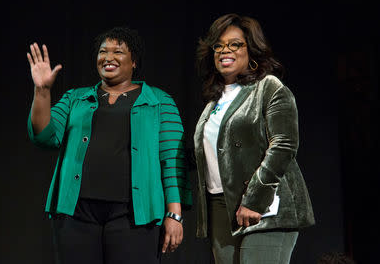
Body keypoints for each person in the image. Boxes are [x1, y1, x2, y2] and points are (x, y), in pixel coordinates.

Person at [26, 26, 192, 264]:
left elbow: (172, 162)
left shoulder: (159, 101)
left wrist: (174, 214)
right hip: (77, 214)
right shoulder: (76, 98)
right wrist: (42, 91)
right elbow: (44, 137)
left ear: (134, 61)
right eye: (103, 51)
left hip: (135, 216)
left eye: (118, 51)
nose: (108, 57)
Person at [193, 13, 315, 264]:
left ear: (252, 50)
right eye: (218, 45)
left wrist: (256, 199)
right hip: (221, 210)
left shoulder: (268, 87)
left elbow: (283, 145)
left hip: (267, 208)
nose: (225, 50)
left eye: (235, 44)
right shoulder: (214, 102)